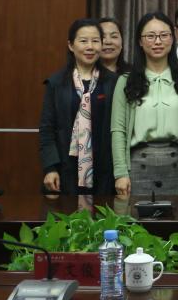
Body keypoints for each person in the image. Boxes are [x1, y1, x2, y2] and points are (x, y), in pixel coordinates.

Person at [111, 12, 178, 196]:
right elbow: (118, 130)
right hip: (137, 166)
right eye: (150, 36)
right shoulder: (126, 81)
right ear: (140, 41)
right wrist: (120, 172)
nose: (158, 41)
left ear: (172, 38)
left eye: (164, 35)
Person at [39, 18, 118, 195]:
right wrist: (50, 168)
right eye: (83, 41)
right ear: (71, 45)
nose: (90, 47)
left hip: (105, 172)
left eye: (95, 41)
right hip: (65, 171)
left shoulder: (113, 82)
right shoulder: (56, 83)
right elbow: (47, 129)